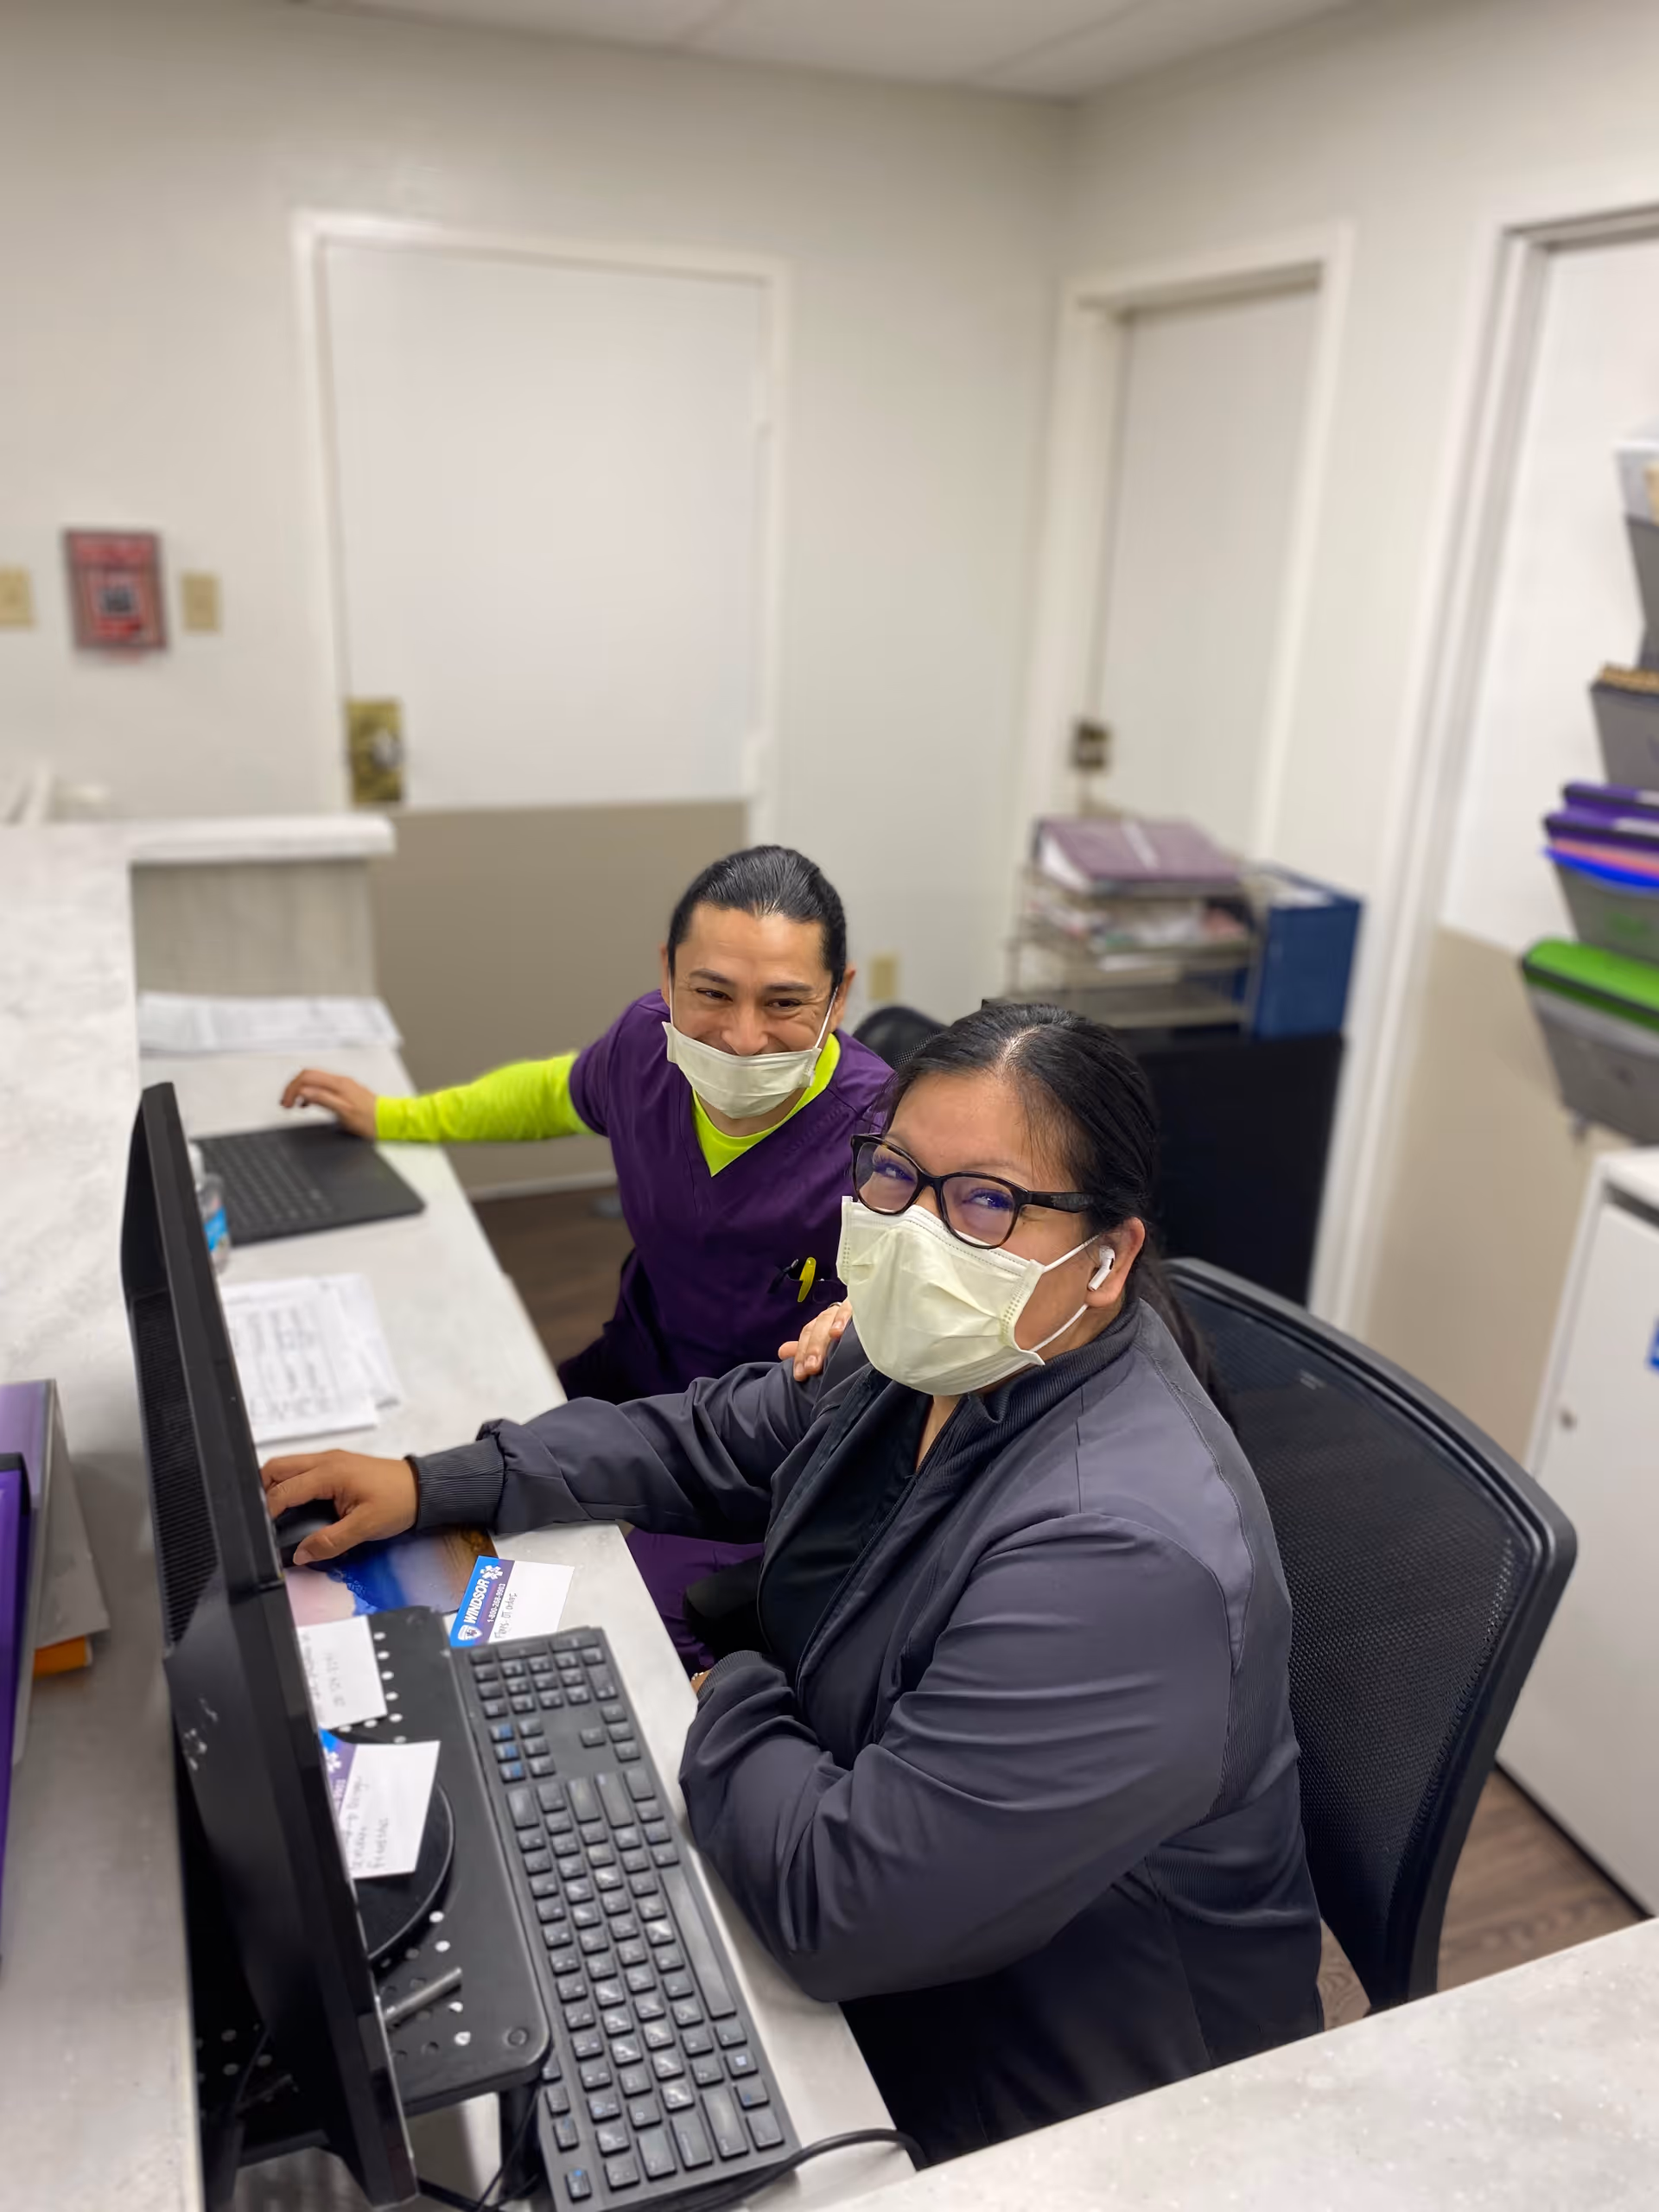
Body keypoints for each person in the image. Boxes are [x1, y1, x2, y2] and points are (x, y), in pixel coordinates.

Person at [262, 1001, 1323, 2160]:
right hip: (885, 1880)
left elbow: (844, 1907)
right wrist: (446, 1480)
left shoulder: (1125, 1562)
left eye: (986, 1202)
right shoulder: (934, 1347)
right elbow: (709, 1440)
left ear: (1106, 1257)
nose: (917, 1231)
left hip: (1077, 2092)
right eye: (897, 1178)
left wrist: (727, 1685)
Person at [280, 845, 889, 1662]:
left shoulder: (886, 1137)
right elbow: (552, 1092)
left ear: (840, 995)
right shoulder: (647, 1048)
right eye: (711, 993)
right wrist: (398, 1117)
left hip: (753, 1459)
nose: (743, 1038)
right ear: (668, 974)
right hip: (636, 1372)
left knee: (586, 1616)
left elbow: (953, 1269)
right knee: (441, 1474)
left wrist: (871, 1307)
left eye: (785, 1003)